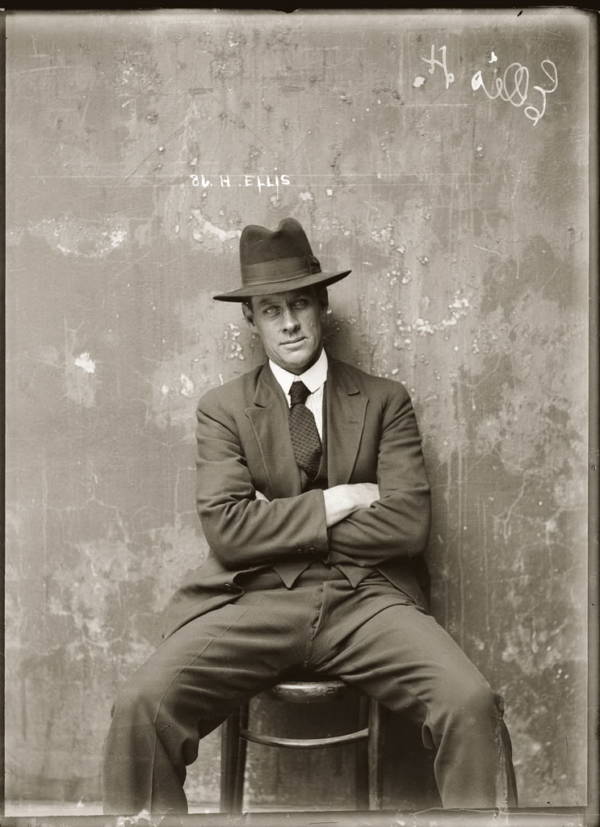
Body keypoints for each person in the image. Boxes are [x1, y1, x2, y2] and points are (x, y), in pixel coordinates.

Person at [102, 217, 517, 814]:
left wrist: (274, 524)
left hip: (367, 599)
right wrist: (340, 500)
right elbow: (229, 532)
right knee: (141, 708)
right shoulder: (222, 409)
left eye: (299, 303)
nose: (289, 322)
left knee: (472, 704)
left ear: (322, 305)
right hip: (256, 599)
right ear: (252, 320)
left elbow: (407, 526)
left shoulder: (385, 400)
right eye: (271, 310)